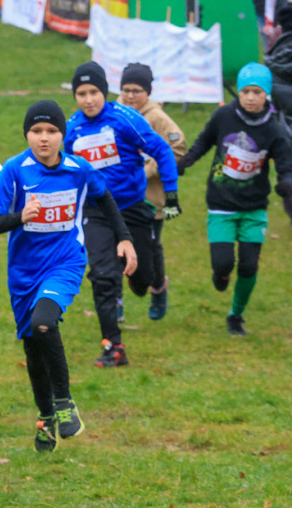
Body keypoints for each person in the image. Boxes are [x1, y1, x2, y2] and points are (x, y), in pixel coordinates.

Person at [0, 101, 135, 452]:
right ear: (27, 135)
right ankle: (45, 417)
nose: (44, 138)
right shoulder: (14, 170)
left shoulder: (78, 169)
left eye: (52, 131)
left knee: (44, 323)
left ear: (62, 135)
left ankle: (65, 403)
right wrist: (21, 216)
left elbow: (106, 199)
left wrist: (125, 238)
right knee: (34, 347)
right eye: (37, 131)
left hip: (65, 263)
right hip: (23, 273)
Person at [64, 61, 180, 367]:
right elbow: (64, 171)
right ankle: (113, 346)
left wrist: (171, 193)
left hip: (131, 208)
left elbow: (163, 151)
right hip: (96, 211)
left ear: (104, 92)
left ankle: (153, 282)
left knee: (141, 280)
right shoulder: (72, 129)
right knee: (103, 276)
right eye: (81, 93)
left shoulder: (126, 119)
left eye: (94, 92)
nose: (88, 99)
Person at [177, 63, 292, 336]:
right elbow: (204, 141)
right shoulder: (223, 116)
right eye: (245, 92)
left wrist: (286, 182)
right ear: (238, 93)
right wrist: (187, 161)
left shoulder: (274, 128)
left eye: (257, 92)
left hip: (254, 207)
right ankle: (221, 273)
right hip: (221, 205)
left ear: (267, 96)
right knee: (223, 263)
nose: (251, 97)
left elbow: (286, 161)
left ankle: (236, 315)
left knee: (250, 265)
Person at [117, 63, 186, 321]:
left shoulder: (157, 118)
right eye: (126, 89)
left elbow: (178, 149)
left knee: (151, 248)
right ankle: (115, 300)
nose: (130, 95)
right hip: (118, 199)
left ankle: (158, 289)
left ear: (148, 91)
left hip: (150, 200)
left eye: (137, 90)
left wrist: (146, 171)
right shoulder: (113, 114)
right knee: (112, 250)